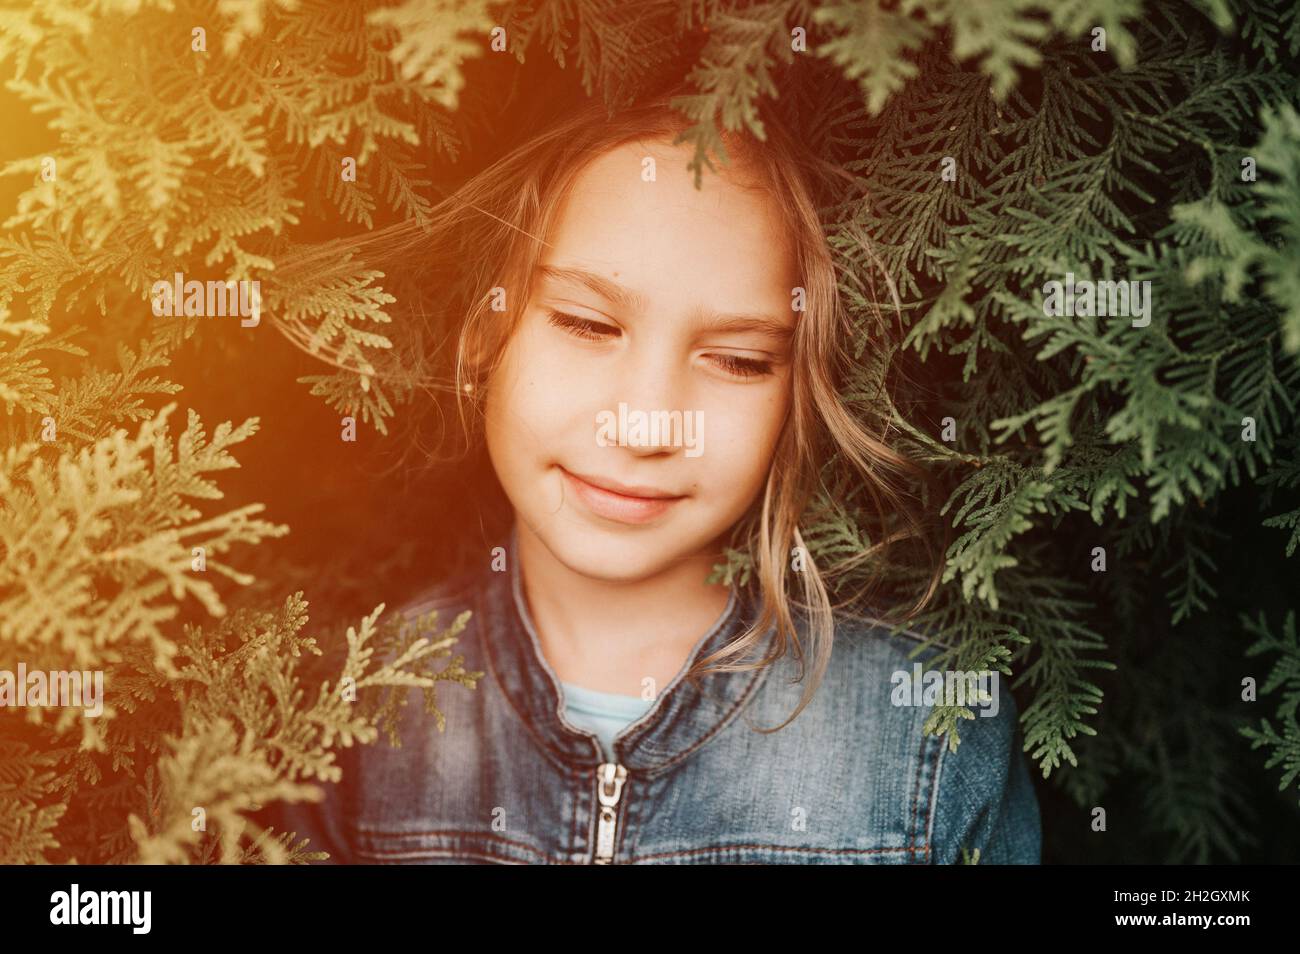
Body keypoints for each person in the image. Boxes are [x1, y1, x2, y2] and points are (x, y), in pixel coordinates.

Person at [263, 82, 1041, 864]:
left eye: (738, 360)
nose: (644, 423)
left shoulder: (926, 738)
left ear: (797, 396)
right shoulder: (354, 717)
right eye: (586, 323)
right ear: (483, 332)